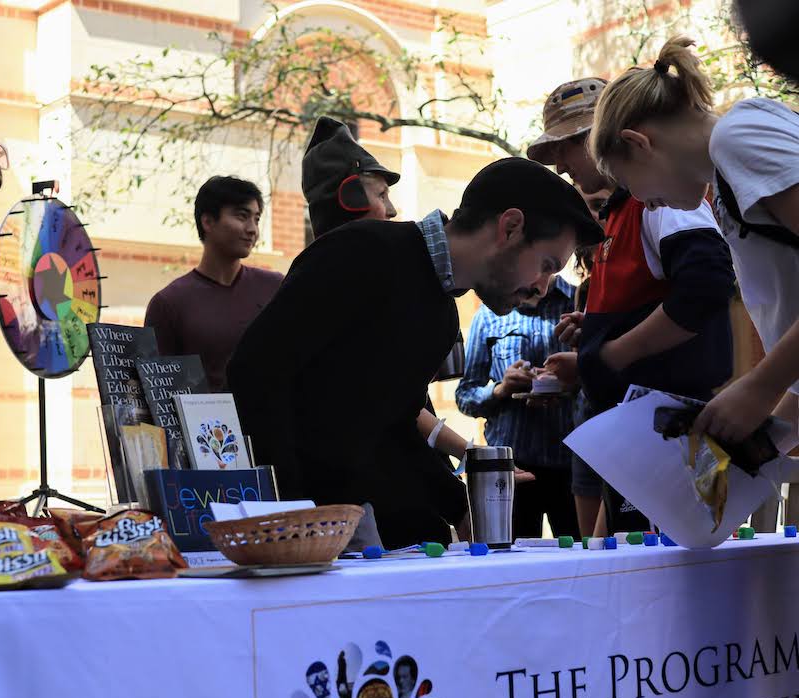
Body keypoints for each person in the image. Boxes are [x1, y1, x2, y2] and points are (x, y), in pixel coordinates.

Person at [228, 157, 603, 548]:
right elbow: (257, 370)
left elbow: (393, 421)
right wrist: (292, 509)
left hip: (355, 530)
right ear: (510, 227)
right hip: (299, 535)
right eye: (546, 265)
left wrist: (458, 504)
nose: (542, 288)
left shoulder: (441, 315)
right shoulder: (363, 251)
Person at [529, 77, 736, 533]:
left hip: (666, 434)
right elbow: (649, 300)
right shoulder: (623, 210)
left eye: (564, 148)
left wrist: (610, 353)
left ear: (601, 137)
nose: (560, 167)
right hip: (639, 432)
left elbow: (705, 284)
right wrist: (595, 341)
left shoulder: (661, 198)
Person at [588, 36, 799, 447]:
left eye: (629, 184)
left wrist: (759, 386)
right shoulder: (726, 186)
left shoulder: (738, 137)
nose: (645, 206)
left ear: (638, 143)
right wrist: (758, 448)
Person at [302, 117, 475, 497]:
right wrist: (469, 455)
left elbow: (408, 403)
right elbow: (395, 407)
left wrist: (470, 457)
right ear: (350, 199)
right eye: (381, 196)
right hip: (370, 485)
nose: (393, 210)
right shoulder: (339, 291)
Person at [456, 275, 579, 539]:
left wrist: (570, 387)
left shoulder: (577, 303)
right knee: (511, 562)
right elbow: (465, 396)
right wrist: (502, 388)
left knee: (580, 559)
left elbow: (601, 376)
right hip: (512, 470)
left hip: (571, 463)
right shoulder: (490, 314)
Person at [144, 176, 283, 391]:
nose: (252, 229)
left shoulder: (275, 288)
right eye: (242, 216)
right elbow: (158, 393)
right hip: (205, 423)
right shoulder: (169, 303)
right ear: (207, 221)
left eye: (256, 219)